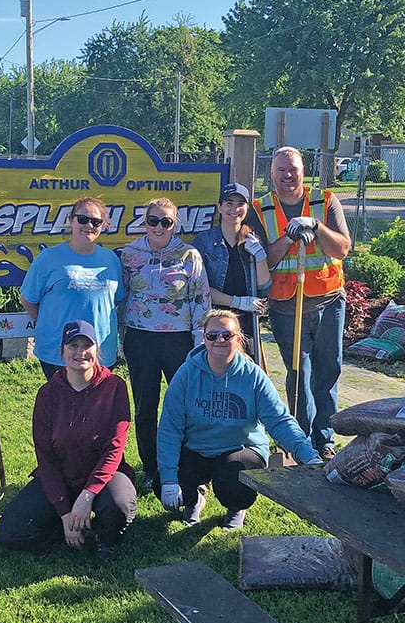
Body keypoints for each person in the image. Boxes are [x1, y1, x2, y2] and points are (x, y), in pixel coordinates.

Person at [156, 310, 320, 531]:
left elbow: (279, 421)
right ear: (204, 339)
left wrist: (308, 455)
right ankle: (194, 500)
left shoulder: (253, 376)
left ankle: (236, 507)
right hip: (197, 448)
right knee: (161, 483)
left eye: (227, 335)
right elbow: (169, 428)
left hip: (240, 448)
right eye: (212, 335)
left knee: (235, 486)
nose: (219, 340)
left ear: (239, 339)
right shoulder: (187, 374)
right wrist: (168, 479)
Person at [0, 320, 137, 561]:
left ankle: (105, 540)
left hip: (104, 475)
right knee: (9, 533)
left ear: (97, 350)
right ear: (62, 351)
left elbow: (114, 448)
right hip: (61, 475)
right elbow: (45, 458)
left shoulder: (115, 387)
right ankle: (68, 528)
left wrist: (88, 495)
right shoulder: (47, 393)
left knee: (119, 505)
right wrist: (64, 513)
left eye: (87, 345)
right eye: (73, 345)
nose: (80, 352)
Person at [251, 146, 352, 462]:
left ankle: (325, 439)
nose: (287, 175)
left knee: (328, 370)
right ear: (272, 173)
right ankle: (301, 439)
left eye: (293, 169)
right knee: (299, 373)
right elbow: (263, 259)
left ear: (303, 170)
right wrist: (289, 237)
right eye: (281, 170)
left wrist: (317, 227)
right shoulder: (260, 209)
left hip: (328, 301)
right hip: (286, 305)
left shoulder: (325, 201)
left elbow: (343, 248)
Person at [119, 197, 211, 492]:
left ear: (175, 225)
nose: (159, 227)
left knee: (184, 406)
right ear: (144, 222)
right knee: (145, 408)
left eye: (166, 222)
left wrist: (200, 343)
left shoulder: (189, 255)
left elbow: (200, 299)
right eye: (153, 221)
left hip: (179, 340)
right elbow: (119, 299)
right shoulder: (129, 255)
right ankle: (151, 467)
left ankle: (189, 466)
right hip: (140, 339)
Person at [20, 196, 124, 380]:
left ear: (103, 226)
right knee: (62, 407)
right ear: (71, 220)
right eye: (82, 219)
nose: (88, 225)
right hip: (58, 353)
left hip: (100, 352)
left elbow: (116, 301)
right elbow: (28, 299)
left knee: (97, 408)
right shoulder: (49, 258)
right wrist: (51, 324)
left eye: (96, 221)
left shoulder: (111, 260)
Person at [192, 183, 271, 346]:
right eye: (229, 203)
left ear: (247, 208)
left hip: (246, 324)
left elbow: (264, 287)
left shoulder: (253, 240)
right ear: (219, 207)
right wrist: (237, 302)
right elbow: (200, 288)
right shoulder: (204, 241)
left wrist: (260, 258)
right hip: (214, 322)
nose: (235, 209)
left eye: (240, 204)